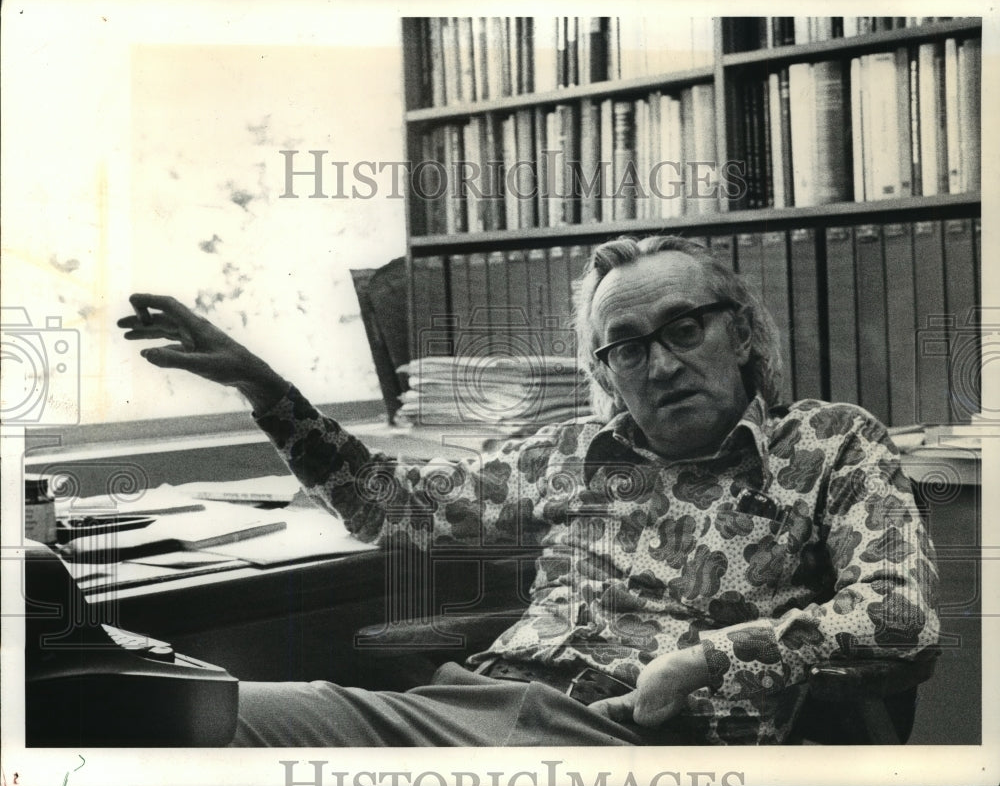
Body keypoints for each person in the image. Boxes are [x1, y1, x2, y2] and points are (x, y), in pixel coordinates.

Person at [117, 235, 940, 746]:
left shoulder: (831, 441)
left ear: (743, 331)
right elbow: (384, 504)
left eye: (683, 329)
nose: (659, 364)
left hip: (628, 743)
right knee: (168, 715)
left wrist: (696, 663)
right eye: (625, 348)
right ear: (605, 374)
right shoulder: (568, 451)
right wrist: (265, 390)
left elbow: (901, 621)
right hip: (463, 706)